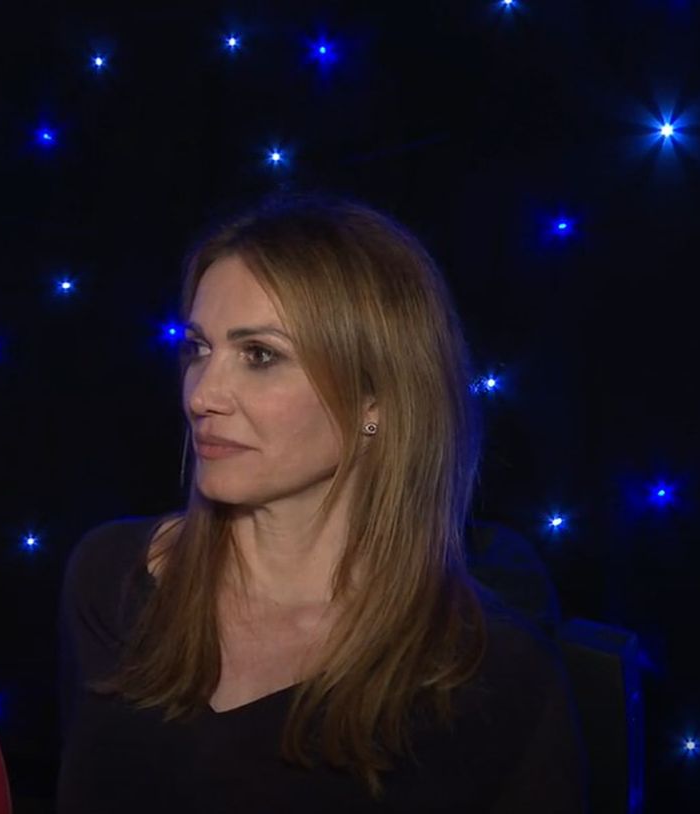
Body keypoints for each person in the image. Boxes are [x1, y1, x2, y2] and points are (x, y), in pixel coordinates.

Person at [57, 195, 586, 812]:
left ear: (374, 402)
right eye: (198, 349)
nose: (202, 395)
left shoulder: (494, 675)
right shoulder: (111, 579)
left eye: (260, 355)